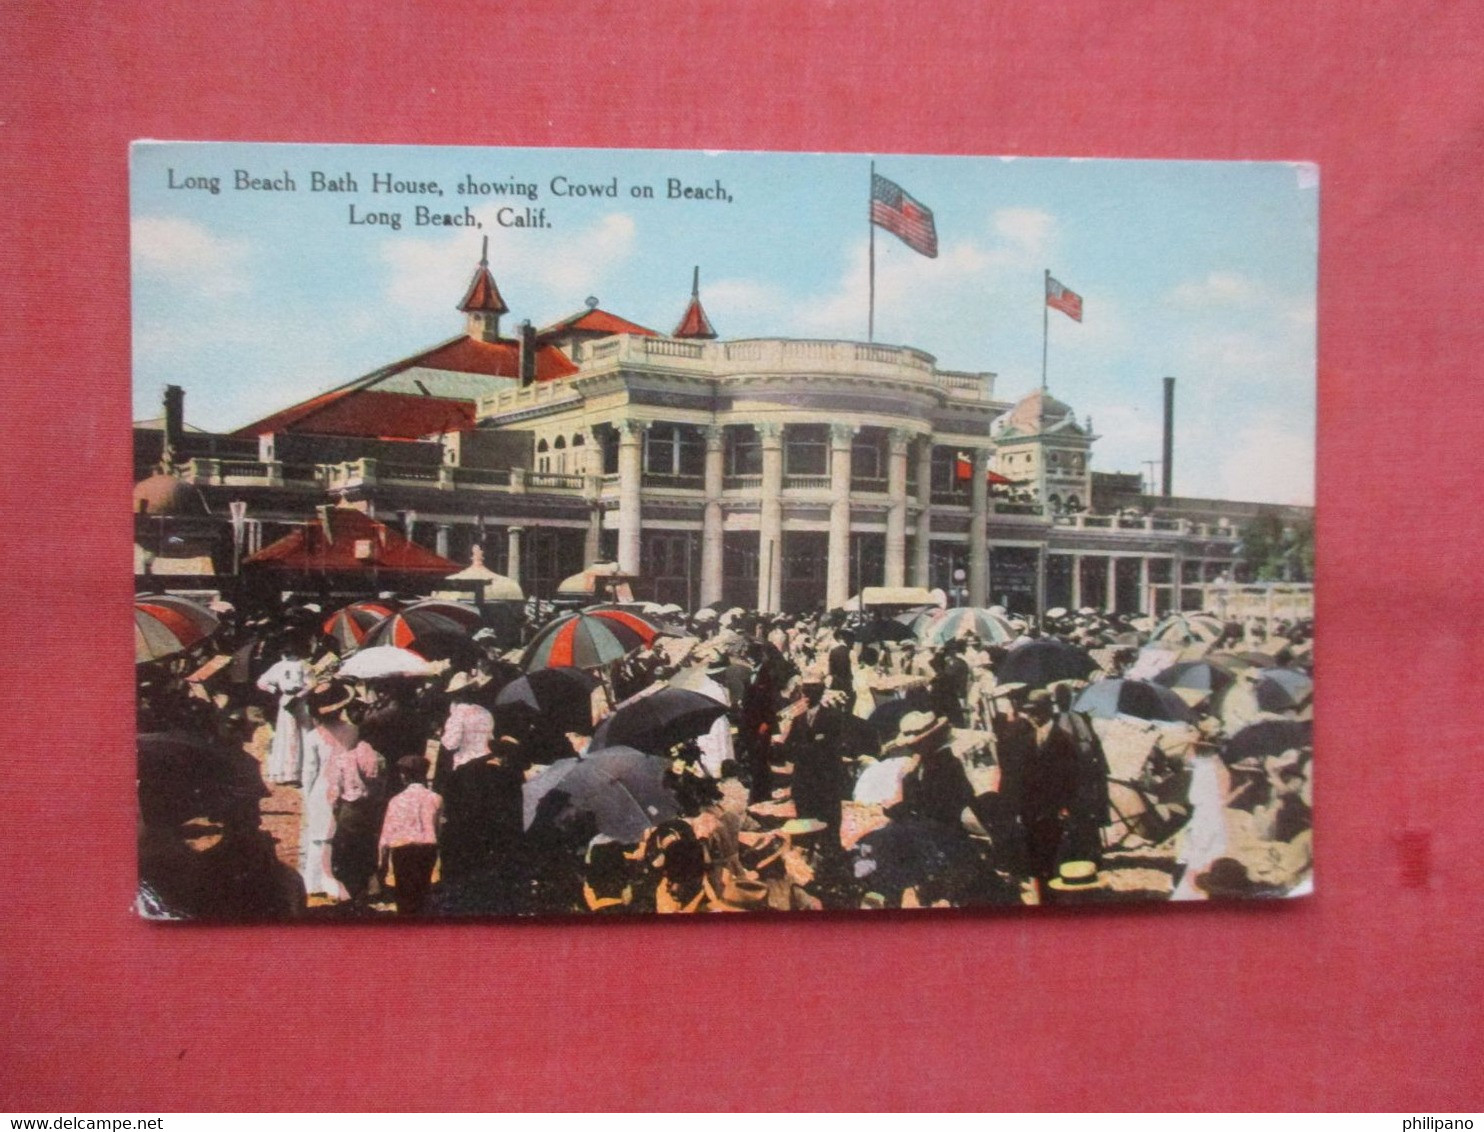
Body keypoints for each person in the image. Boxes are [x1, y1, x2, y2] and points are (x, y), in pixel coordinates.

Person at [299, 682, 358, 903]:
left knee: (319, 836)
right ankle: (336, 884)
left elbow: (309, 772)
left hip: (322, 788)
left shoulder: (314, 736)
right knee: (341, 836)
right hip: (347, 786)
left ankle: (314, 881)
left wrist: (307, 797)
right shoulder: (353, 730)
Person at [378, 755, 442, 915]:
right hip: (427, 851)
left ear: (404, 775)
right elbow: (438, 829)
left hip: (403, 852)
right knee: (423, 894)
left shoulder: (396, 801)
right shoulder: (436, 799)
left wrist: (382, 861)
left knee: (405, 897)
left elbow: (386, 834)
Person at [256, 638, 312, 784]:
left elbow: (262, 682)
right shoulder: (299, 665)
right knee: (296, 734)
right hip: (294, 701)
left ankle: (294, 773)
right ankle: (295, 772)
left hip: (294, 701)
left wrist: (274, 690)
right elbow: (312, 684)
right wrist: (273, 689)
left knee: (295, 734)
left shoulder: (286, 665)